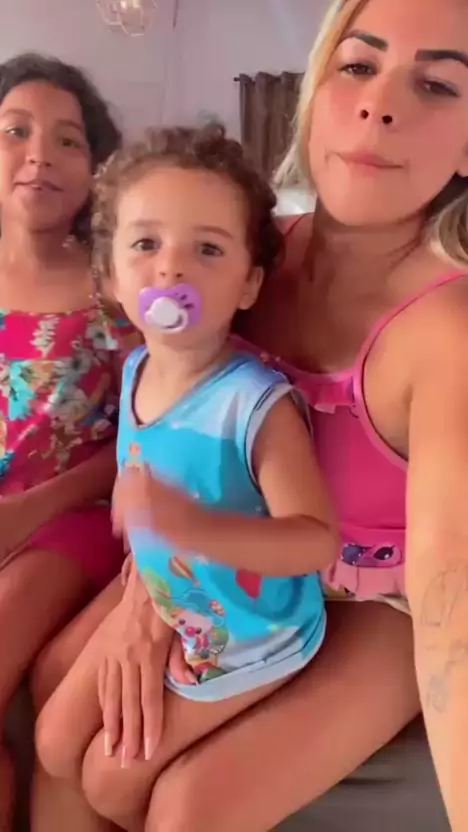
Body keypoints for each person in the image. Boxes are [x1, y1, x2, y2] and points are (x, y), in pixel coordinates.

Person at [32, 0, 468, 827]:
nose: (380, 106)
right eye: (358, 66)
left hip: (374, 599)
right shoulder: (239, 252)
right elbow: (177, 432)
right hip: (227, 562)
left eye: (438, 85)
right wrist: (147, 596)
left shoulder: (448, 330)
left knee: (181, 805)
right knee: (60, 709)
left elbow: (453, 606)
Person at [0, 52, 134, 829]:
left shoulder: (115, 285)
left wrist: (28, 511)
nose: (39, 155)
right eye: (15, 131)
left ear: (95, 168)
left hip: (72, 519)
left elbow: (149, 435)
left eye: (67, 140)